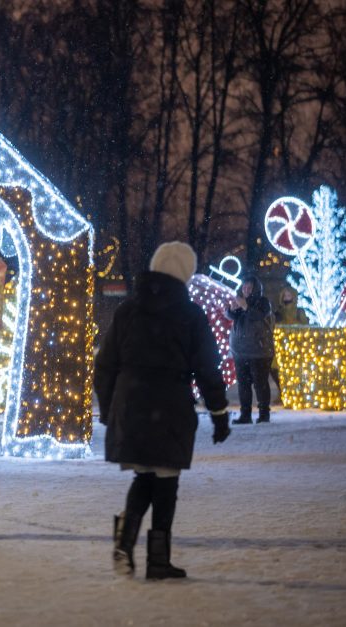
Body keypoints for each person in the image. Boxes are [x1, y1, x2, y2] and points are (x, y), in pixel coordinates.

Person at [96, 241, 230, 580]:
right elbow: (207, 367)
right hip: (169, 405)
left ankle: (125, 544)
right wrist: (219, 413)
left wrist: (110, 406)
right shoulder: (190, 314)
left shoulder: (127, 311)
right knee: (166, 481)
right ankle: (158, 560)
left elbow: (105, 364)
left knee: (144, 475)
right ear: (187, 273)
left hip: (132, 402)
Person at [226, 273, 274, 424]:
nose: (246, 289)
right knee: (243, 385)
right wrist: (232, 309)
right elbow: (231, 316)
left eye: (249, 287)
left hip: (259, 352)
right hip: (240, 352)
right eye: (244, 286)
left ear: (255, 288)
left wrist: (245, 306)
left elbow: (257, 317)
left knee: (260, 384)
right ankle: (245, 415)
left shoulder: (263, 302)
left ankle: (264, 415)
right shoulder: (241, 302)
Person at [270, 286, 308, 393]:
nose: (287, 298)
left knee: (295, 371)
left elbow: (304, 327)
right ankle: (282, 392)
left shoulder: (299, 312)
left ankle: (296, 392)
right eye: (285, 295)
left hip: (296, 344)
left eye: (289, 295)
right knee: (277, 370)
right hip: (282, 345)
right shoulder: (279, 312)